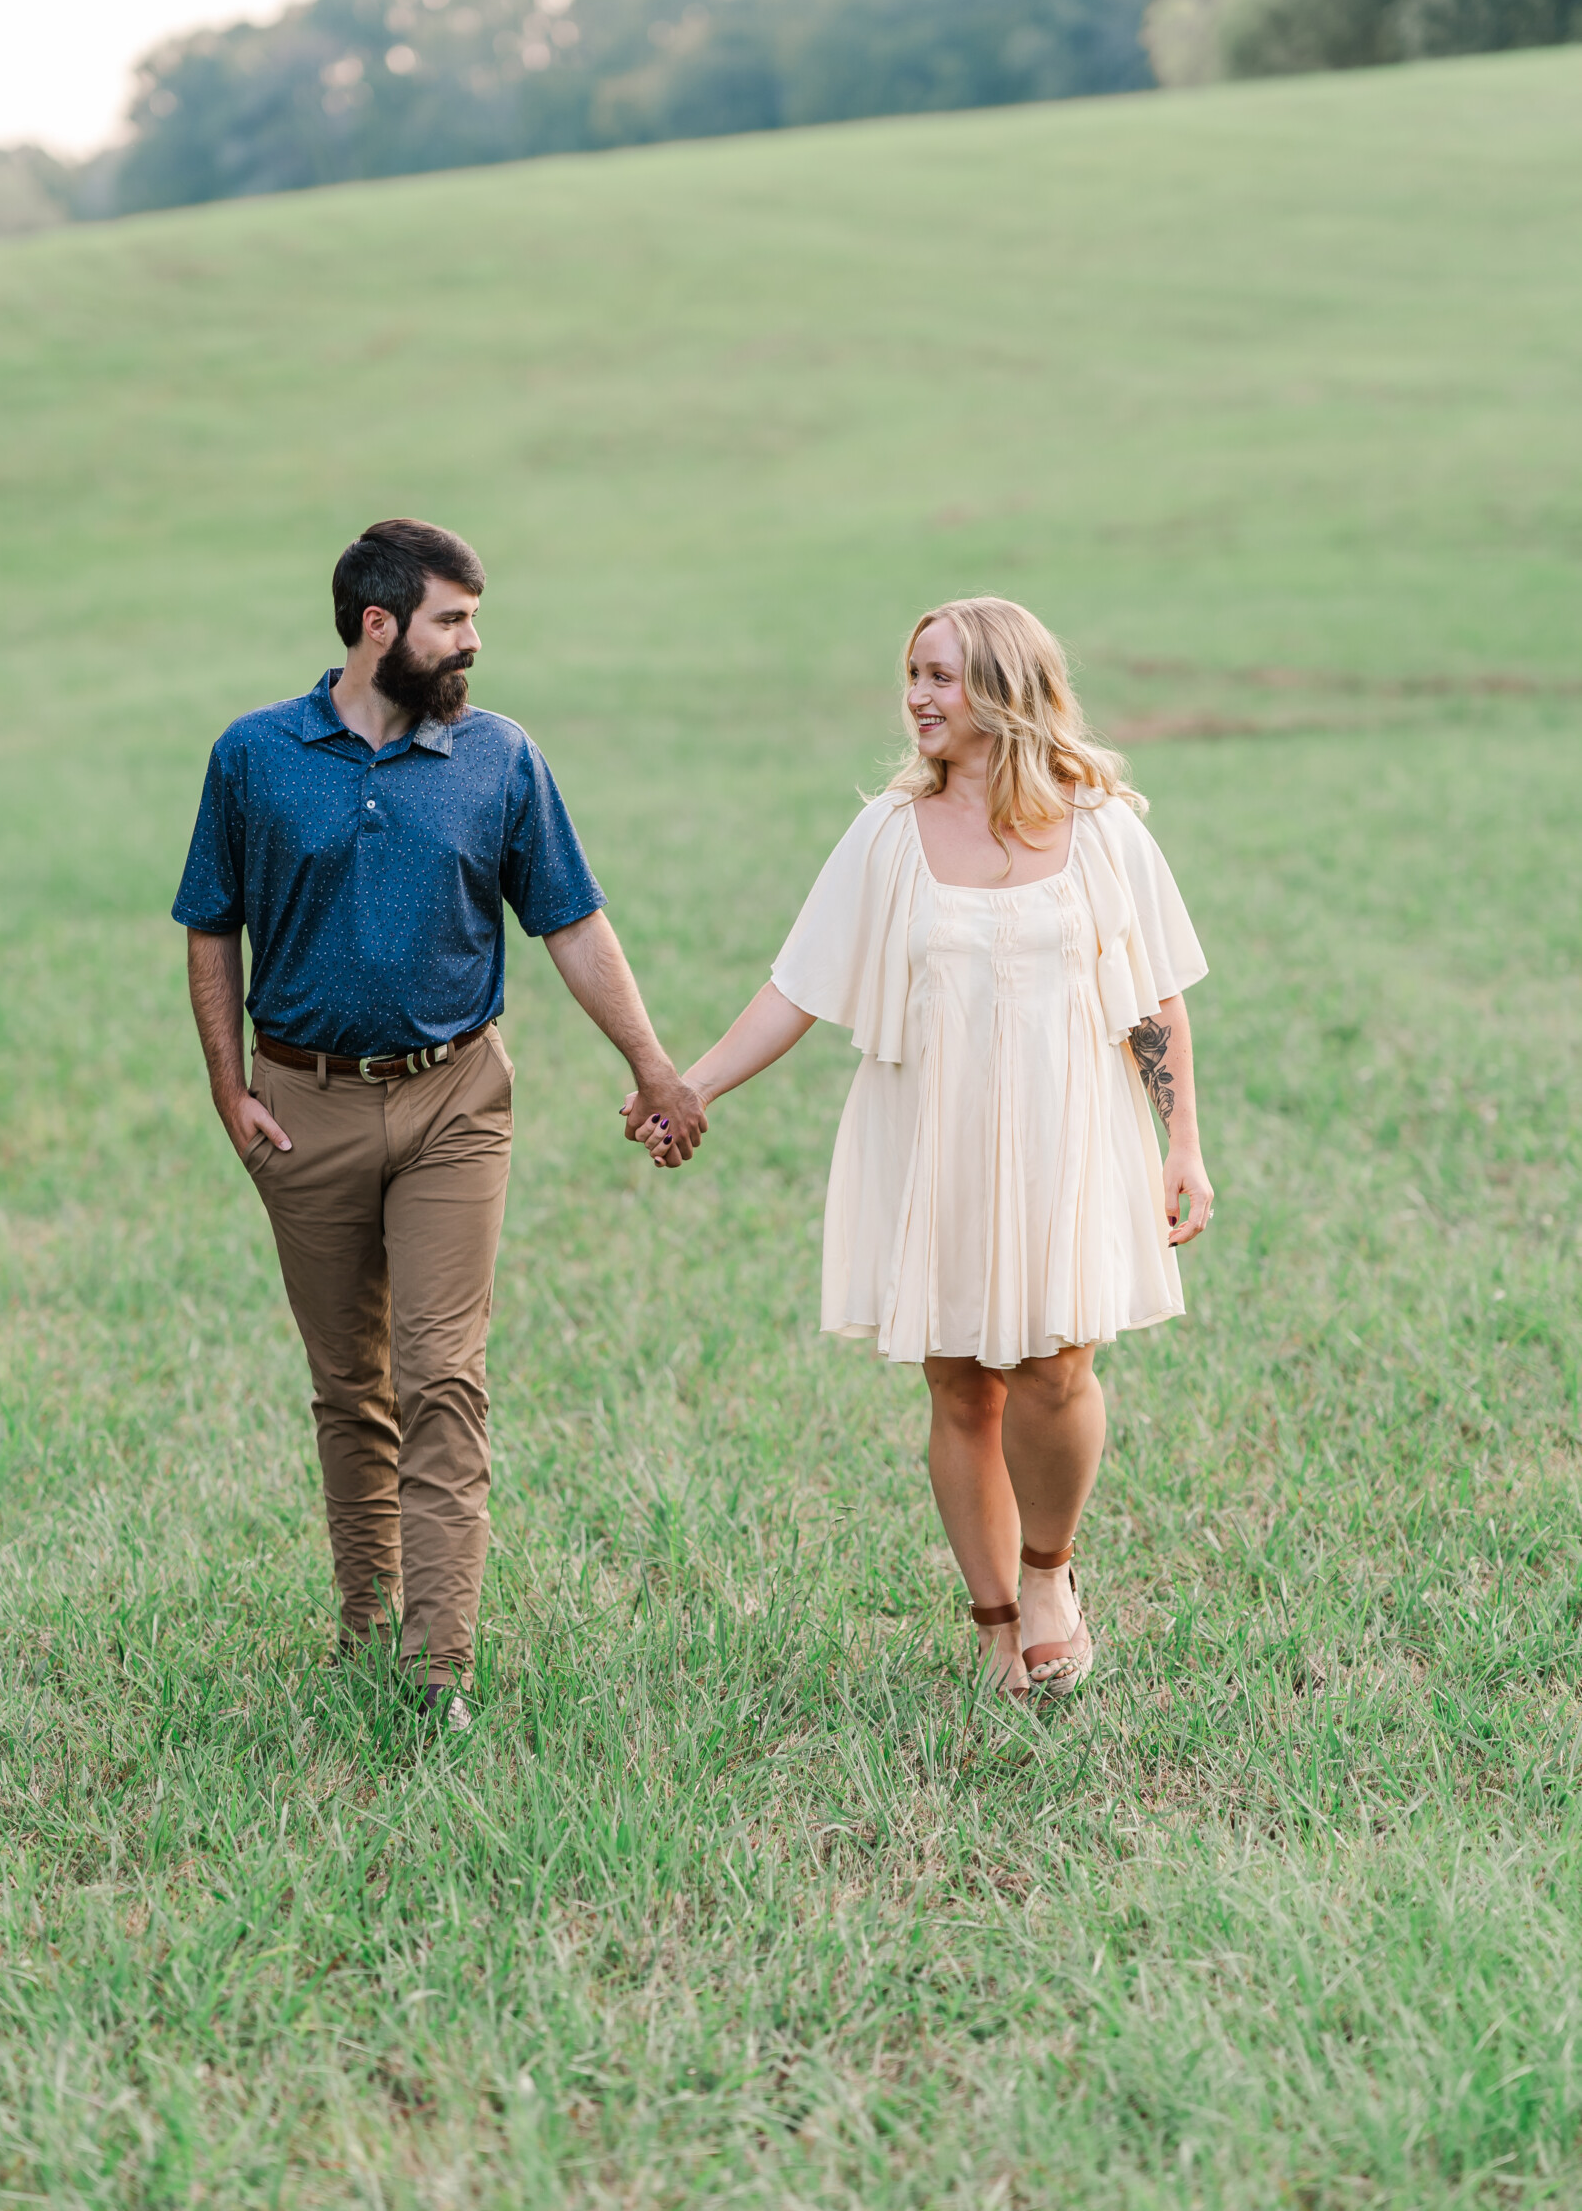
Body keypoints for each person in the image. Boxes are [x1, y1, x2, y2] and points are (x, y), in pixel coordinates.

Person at [631, 596, 1212, 1702]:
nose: (917, 697)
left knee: (1057, 1364)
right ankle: (995, 1613)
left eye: (941, 676)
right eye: (913, 673)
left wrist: (1182, 1144)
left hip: (1068, 1127)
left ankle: (1051, 1573)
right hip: (930, 1129)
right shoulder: (887, 835)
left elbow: (1156, 999)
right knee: (960, 1381)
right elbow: (796, 986)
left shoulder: (1103, 829)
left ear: (1004, 687)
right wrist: (686, 1085)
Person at [174, 519, 706, 1724]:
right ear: (378, 627)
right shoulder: (254, 757)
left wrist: (654, 1065)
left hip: (456, 1096)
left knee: (442, 1377)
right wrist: (227, 1085)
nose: (473, 642)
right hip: (300, 1106)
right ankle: (365, 1622)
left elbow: (572, 921)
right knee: (346, 1383)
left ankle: (439, 1670)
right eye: (451, 620)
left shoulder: (500, 756)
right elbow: (211, 923)